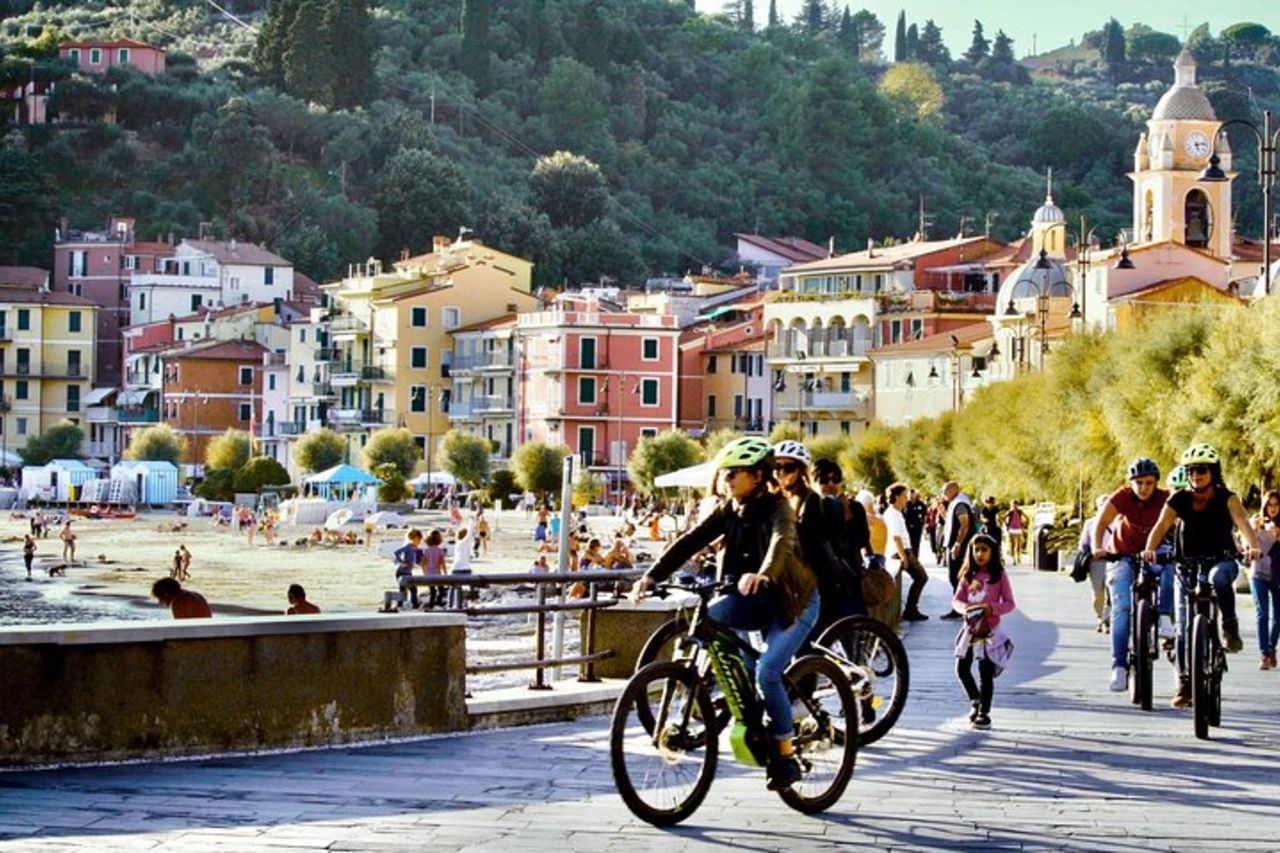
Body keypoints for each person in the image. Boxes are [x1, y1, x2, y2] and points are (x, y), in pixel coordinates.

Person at [630, 437, 819, 792]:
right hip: (754, 597)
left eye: (734, 474)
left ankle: (784, 751)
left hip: (792, 602)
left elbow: (782, 543)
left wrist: (763, 573)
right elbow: (690, 540)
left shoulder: (781, 509)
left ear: (758, 476)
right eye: (724, 474)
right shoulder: (730, 509)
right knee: (711, 621)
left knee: (767, 671)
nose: (726, 480)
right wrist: (652, 575)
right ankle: (731, 697)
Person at [1143, 444, 1261, 708]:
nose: (1196, 475)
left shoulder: (1227, 498)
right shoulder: (1179, 499)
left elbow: (1243, 524)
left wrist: (1253, 546)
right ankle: (1185, 682)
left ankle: (1229, 624)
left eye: (1201, 470)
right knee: (1184, 626)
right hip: (1186, 567)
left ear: (1213, 471)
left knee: (1220, 578)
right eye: (1191, 470)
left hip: (1221, 560)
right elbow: (1161, 525)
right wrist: (1149, 549)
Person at [1091, 457, 1174, 693]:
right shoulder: (1122, 496)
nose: (1144, 488)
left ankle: (1164, 616)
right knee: (1122, 607)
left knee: (1170, 568)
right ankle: (1119, 666)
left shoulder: (1166, 498)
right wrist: (1098, 547)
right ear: (1131, 483)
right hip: (1122, 555)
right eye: (1139, 483)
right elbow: (1101, 522)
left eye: (1149, 483)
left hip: (1154, 553)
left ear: (1156, 483)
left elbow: (1182, 524)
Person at [772, 441, 857, 634]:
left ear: (801, 471)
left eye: (788, 467)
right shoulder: (778, 500)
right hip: (790, 582)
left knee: (805, 648)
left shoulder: (810, 502)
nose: (780, 472)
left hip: (811, 584)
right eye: (776, 466)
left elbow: (808, 544)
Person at [951, 533, 1016, 730]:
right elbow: (956, 600)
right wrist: (966, 609)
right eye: (976, 549)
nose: (979, 554)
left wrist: (991, 608)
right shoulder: (967, 575)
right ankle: (975, 700)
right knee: (962, 668)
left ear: (992, 552)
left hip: (989, 632)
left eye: (984, 550)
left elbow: (1010, 604)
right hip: (970, 630)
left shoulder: (999, 575)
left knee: (985, 672)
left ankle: (984, 712)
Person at [884, 483, 929, 622]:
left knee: (920, 578)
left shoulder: (896, 512)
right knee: (922, 577)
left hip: (904, 551)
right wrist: (904, 557)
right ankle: (910, 609)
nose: (906, 499)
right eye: (904, 496)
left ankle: (911, 609)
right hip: (902, 552)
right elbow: (895, 537)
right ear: (897, 497)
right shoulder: (893, 514)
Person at [1250, 490, 1280, 671]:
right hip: (1258, 573)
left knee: (1278, 616)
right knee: (1262, 614)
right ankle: (1264, 654)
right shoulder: (1257, 522)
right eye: (1270, 504)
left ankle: (1271, 648)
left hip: (1278, 575)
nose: (1273, 508)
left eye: (1277, 504)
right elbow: (1245, 541)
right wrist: (1254, 529)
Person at [940, 482, 976, 619]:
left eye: (944, 491)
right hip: (959, 546)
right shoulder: (957, 502)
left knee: (957, 577)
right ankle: (960, 608)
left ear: (953, 490)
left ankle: (961, 608)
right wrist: (944, 515)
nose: (943, 494)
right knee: (957, 578)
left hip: (960, 547)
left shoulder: (960, 503)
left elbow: (964, 525)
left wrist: (957, 544)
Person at [1079, 495, 1113, 633]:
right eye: (1102, 505)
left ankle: (1107, 619)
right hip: (1096, 562)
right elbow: (1083, 544)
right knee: (1098, 593)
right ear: (1097, 507)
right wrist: (1088, 554)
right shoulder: (1090, 523)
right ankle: (1100, 616)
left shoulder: (1117, 522)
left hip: (1114, 560)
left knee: (1112, 592)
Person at [393, 529, 425, 610]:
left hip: (408, 572)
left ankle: (411, 605)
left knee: (412, 590)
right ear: (415, 538)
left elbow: (416, 560)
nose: (420, 542)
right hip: (401, 572)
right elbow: (396, 552)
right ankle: (403, 605)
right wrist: (401, 562)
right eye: (419, 540)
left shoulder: (414, 548)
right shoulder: (408, 547)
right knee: (406, 590)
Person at [422, 529, 449, 609]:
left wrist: (424, 573)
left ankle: (431, 605)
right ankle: (438, 604)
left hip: (429, 574)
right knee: (441, 591)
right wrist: (445, 573)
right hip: (437, 574)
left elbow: (423, 563)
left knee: (432, 591)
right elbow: (442, 563)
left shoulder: (426, 551)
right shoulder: (440, 551)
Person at [449, 528, 474, 610]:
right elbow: (469, 534)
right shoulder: (463, 543)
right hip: (464, 568)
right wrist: (473, 521)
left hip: (457, 568)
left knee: (453, 587)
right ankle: (463, 604)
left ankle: (451, 604)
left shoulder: (459, 545)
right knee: (466, 587)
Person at [1004, 501, 1029, 565]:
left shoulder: (1020, 511)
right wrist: (1007, 524)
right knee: (1012, 545)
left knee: (1018, 545)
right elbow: (1003, 517)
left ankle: (1018, 558)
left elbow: (1027, 517)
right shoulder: (1010, 512)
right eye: (1013, 505)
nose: (1014, 506)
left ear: (1017, 505)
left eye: (1015, 505)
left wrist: (1024, 524)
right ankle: (1014, 559)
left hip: (1018, 530)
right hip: (1011, 530)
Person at [904, 489, 927, 557]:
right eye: (910, 494)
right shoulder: (906, 504)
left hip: (917, 527)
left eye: (913, 494)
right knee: (908, 543)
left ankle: (915, 557)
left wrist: (923, 523)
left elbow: (924, 515)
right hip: (907, 527)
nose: (911, 496)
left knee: (916, 543)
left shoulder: (921, 504)